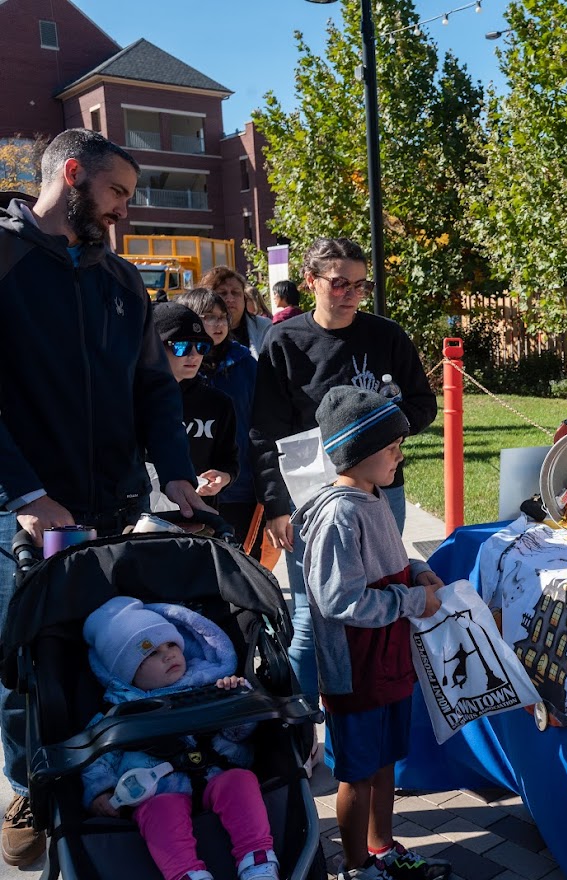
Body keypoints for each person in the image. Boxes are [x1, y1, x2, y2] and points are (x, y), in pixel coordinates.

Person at [0, 128, 209, 866]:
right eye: (116, 192)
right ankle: (28, 784)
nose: (123, 210)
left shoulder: (123, 281)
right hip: (28, 515)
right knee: (28, 664)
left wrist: (174, 473)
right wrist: (24, 491)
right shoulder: (4, 257)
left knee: (112, 656)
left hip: (113, 508)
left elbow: (154, 387)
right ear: (72, 174)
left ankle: (110, 785)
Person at [250, 236, 437, 702]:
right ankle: (296, 728)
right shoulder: (285, 339)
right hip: (310, 501)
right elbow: (263, 431)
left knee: (380, 603)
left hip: (378, 494)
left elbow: (423, 403)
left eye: (358, 285)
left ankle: (372, 713)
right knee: (314, 616)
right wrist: (275, 504)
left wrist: (382, 431)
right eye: (338, 284)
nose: (350, 294)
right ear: (311, 282)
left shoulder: (386, 335)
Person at [294, 386, 449, 880]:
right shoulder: (339, 514)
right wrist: (410, 601)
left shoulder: (373, 496)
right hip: (356, 668)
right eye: (391, 448)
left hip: (389, 660)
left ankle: (381, 848)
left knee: (386, 764)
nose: (399, 457)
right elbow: (340, 600)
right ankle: (356, 866)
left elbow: (391, 557)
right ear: (358, 453)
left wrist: (418, 570)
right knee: (358, 774)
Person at [80, 596, 278, 880]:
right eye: (150, 653)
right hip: (159, 791)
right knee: (159, 812)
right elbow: (96, 756)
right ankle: (186, 874)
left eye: (171, 644)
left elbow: (238, 735)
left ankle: (257, 861)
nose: (169, 654)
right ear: (127, 673)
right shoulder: (118, 712)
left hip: (216, 772)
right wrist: (101, 790)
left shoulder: (210, 683)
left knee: (241, 781)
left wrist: (236, 700)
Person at [178, 288, 264, 556]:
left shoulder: (246, 364)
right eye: (208, 317)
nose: (217, 324)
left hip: (239, 486)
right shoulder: (175, 370)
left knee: (241, 568)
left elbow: (261, 424)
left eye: (222, 317)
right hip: (182, 492)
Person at [152, 302, 238, 505]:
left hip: (197, 517)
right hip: (141, 519)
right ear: (153, 347)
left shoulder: (218, 403)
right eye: (181, 347)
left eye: (201, 347)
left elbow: (229, 461)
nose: (193, 355)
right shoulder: (131, 401)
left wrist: (223, 477)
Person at [201, 267, 271, 355]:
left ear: (244, 298)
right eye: (223, 293)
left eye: (235, 293)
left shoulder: (264, 327)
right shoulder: (197, 329)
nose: (230, 299)